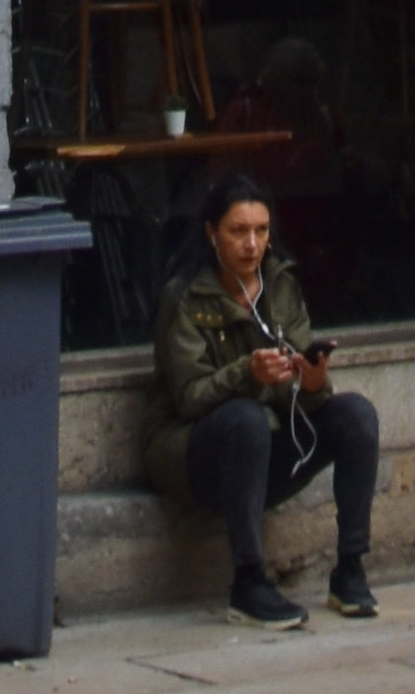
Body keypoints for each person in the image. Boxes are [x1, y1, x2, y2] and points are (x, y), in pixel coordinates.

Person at [149, 184, 384, 626]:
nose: (252, 244)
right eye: (238, 231)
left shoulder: (281, 286)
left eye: (261, 231)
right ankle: (248, 582)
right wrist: (246, 373)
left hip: (267, 442)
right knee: (245, 419)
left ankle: (350, 570)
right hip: (194, 455)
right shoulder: (184, 298)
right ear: (211, 233)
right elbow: (188, 398)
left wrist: (312, 382)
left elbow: (296, 389)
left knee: (356, 416)